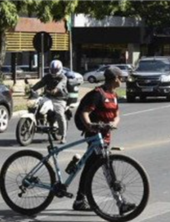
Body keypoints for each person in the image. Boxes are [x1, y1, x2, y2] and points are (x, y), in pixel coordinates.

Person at [72, 66, 135, 214]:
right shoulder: (98, 94)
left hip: (105, 137)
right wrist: (89, 126)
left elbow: (117, 114)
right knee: (106, 167)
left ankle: (80, 199)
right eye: (121, 78)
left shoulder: (113, 95)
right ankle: (120, 203)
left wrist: (115, 123)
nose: (123, 81)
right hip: (94, 137)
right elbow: (85, 112)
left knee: (90, 167)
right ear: (114, 79)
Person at [31, 60, 70, 143]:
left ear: (60, 69)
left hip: (60, 98)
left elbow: (61, 85)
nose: (54, 72)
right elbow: (41, 83)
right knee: (37, 105)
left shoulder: (63, 77)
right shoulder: (48, 76)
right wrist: (32, 89)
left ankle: (63, 136)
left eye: (55, 70)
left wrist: (56, 89)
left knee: (59, 114)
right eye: (52, 70)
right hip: (48, 96)